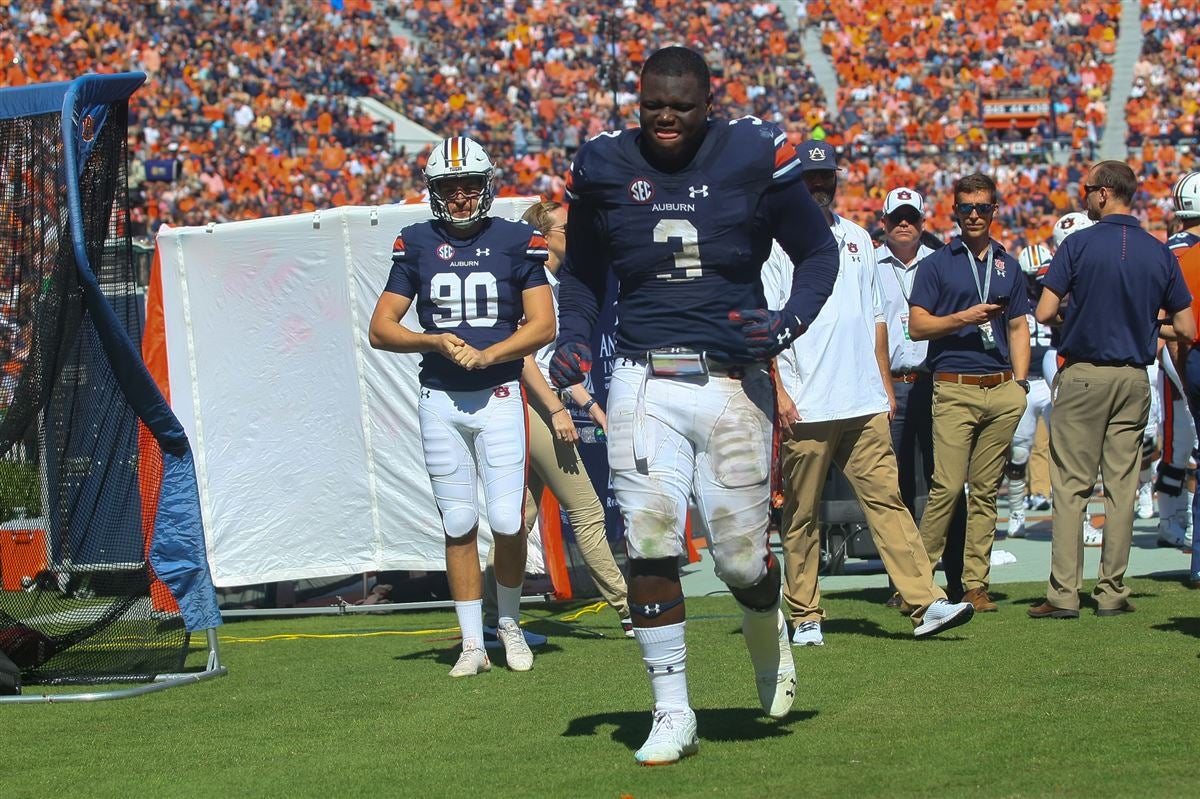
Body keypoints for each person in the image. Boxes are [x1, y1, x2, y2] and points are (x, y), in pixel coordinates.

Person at [550, 46, 839, 765]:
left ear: (710, 102)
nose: (666, 118)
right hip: (644, 379)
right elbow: (584, 274)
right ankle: (672, 708)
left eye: (680, 105)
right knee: (648, 541)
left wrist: (787, 323)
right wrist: (576, 340)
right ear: (637, 101)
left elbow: (819, 253)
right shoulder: (604, 165)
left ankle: (768, 638)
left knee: (743, 561)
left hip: (733, 381)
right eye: (653, 105)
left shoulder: (752, 151)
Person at [766, 150, 974, 647]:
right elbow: (766, 323)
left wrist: (883, 383)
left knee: (889, 502)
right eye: (810, 177)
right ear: (794, 182)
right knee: (800, 513)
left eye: (826, 177)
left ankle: (925, 602)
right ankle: (805, 614)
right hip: (806, 398)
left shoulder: (858, 238)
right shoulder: (774, 243)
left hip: (861, 398)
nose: (819, 185)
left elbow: (876, 318)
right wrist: (778, 391)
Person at [368, 136, 556, 674]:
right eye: (450, 187)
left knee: (506, 518)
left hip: (498, 394)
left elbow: (545, 324)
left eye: (470, 185)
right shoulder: (417, 243)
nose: (461, 197)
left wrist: (492, 352)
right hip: (440, 398)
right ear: (435, 192)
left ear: (486, 186)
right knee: (456, 521)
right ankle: (473, 643)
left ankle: (511, 624)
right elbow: (381, 329)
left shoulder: (519, 240)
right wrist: (432, 340)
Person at [1029, 160, 1194, 619]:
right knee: (1121, 487)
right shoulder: (1158, 250)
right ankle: (1112, 591)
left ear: (1103, 193)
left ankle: (1064, 595)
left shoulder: (1078, 244)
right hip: (1134, 377)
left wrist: (1077, 315)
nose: (1084, 196)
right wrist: (1144, 326)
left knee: (1070, 487)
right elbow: (1185, 325)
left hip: (1084, 373)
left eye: (1087, 189)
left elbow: (1043, 312)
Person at [482, 200, 632, 643]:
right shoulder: (538, 285)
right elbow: (525, 359)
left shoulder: (550, 282)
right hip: (532, 406)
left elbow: (554, 366)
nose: (578, 236)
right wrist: (556, 409)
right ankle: (629, 608)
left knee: (519, 518)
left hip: (535, 403)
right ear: (545, 238)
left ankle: (491, 619)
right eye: (568, 229)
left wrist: (592, 408)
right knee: (586, 509)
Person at [908, 173, 1031, 614]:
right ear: (955, 212)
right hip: (954, 385)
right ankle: (917, 584)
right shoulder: (937, 263)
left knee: (985, 492)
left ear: (995, 210)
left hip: (1000, 389)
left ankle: (975, 584)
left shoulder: (1008, 264)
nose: (974, 215)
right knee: (945, 487)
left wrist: (1018, 382)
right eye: (966, 208)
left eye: (982, 207)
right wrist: (964, 317)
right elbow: (917, 326)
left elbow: (1018, 326)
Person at [876, 187, 969, 604]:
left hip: (937, 381)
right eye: (897, 216)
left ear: (923, 222)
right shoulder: (868, 264)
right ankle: (903, 581)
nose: (904, 223)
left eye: (911, 216)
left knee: (945, 482)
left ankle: (957, 577)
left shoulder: (943, 263)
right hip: (889, 383)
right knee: (891, 489)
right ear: (883, 222)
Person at [1003, 244, 1056, 539]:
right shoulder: (1014, 298)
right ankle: (1016, 513)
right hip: (1024, 380)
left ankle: (1064, 512)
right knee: (1020, 451)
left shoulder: (1061, 296)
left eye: (1042, 276)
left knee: (1063, 448)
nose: (1037, 283)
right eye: (1032, 277)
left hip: (1051, 382)